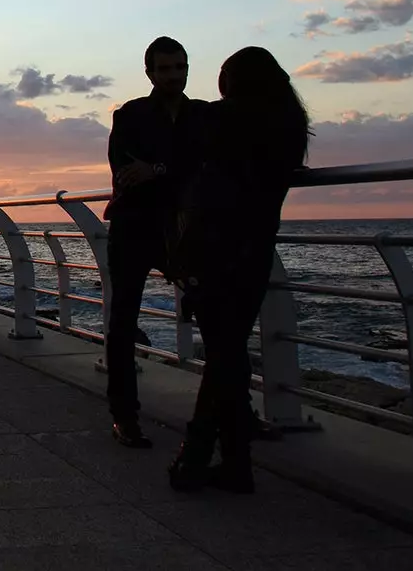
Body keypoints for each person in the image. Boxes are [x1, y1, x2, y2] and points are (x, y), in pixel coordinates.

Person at [168, 47, 310, 494]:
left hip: (212, 250)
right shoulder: (287, 128)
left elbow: (182, 171)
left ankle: (199, 455)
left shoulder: (212, 120)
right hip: (254, 252)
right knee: (228, 355)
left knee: (223, 357)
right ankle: (233, 463)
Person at [103, 35, 208, 449]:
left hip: (186, 229)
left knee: (217, 319)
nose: (174, 76)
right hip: (135, 228)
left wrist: (159, 168)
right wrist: (175, 171)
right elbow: (125, 170)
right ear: (149, 72)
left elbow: (207, 164)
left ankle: (235, 409)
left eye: (180, 67)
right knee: (124, 320)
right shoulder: (129, 115)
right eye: (164, 69)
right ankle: (124, 415)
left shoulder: (202, 115)